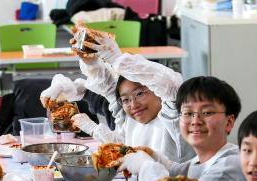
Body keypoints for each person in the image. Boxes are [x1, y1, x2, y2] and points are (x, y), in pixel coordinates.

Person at [40, 34, 194, 163]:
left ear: (157, 91)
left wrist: (115, 58)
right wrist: (91, 62)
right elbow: (123, 147)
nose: (133, 104)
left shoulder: (174, 120)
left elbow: (170, 85)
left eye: (140, 94)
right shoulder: (132, 121)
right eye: (125, 100)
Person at [120, 76, 245, 181]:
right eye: (188, 113)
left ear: (229, 122)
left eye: (207, 112)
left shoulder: (229, 165)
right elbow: (179, 172)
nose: (195, 121)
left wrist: (146, 167)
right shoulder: (200, 160)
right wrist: (155, 157)